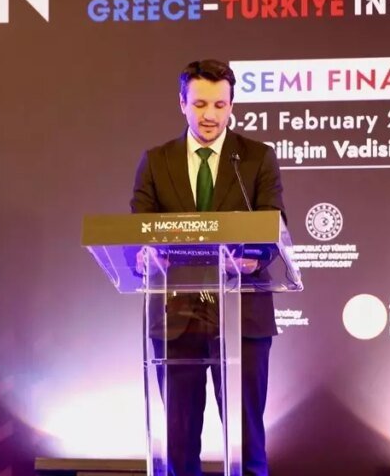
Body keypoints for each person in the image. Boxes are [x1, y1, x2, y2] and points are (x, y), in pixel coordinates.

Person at [130, 59, 285, 476]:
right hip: (176, 318)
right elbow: (140, 229)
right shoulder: (156, 161)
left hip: (242, 316)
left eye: (220, 105)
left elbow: (273, 227)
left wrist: (254, 256)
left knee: (247, 437)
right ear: (182, 103)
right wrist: (145, 254)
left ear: (232, 105)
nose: (210, 115)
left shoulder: (256, 158)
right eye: (200, 104)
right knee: (179, 441)